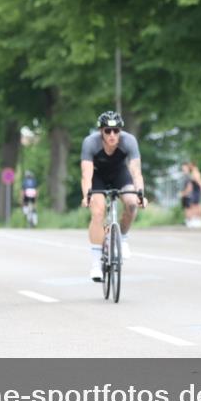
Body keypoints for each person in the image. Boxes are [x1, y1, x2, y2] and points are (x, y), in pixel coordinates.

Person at [80, 111, 147, 282]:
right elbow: (86, 175)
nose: (112, 135)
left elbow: (136, 172)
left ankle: (123, 239)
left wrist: (140, 194)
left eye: (116, 130)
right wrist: (86, 195)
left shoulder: (129, 141)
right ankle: (96, 264)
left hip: (120, 174)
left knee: (132, 204)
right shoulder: (90, 143)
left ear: (120, 131)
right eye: (107, 131)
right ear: (101, 131)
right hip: (98, 177)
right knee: (98, 212)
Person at [179, 161, 201, 227]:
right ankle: (195, 219)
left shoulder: (196, 173)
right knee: (194, 205)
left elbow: (200, 183)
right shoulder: (192, 173)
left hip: (196, 191)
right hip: (194, 191)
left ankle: (199, 220)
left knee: (197, 205)